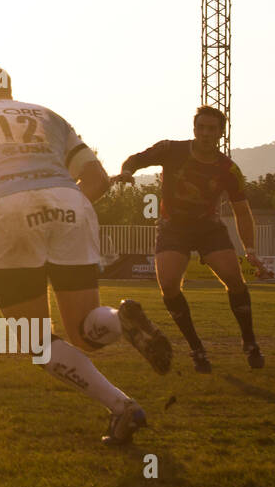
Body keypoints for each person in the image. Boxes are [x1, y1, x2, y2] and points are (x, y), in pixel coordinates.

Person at [0, 63, 171, 445]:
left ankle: (122, 406)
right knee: (85, 332)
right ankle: (119, 322)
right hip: (71, 203)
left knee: (36, 340)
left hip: (8, 212)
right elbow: (97, 181)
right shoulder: (49, 116)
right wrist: (59, 203)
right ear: (10, 91)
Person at [113, 106, 264, 372]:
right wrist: (127, 172)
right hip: (173, 228)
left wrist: (250, 249)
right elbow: (135, 159)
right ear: (194, 129)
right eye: (201, 128)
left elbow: (242, 210)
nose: (206, 133)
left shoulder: (228, 169)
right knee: (169, 284)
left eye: (212, 129)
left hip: (209, 229)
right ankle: (197, 349)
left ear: (220, 133)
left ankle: (249, 341)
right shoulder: (171, 150)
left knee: (233, 277)